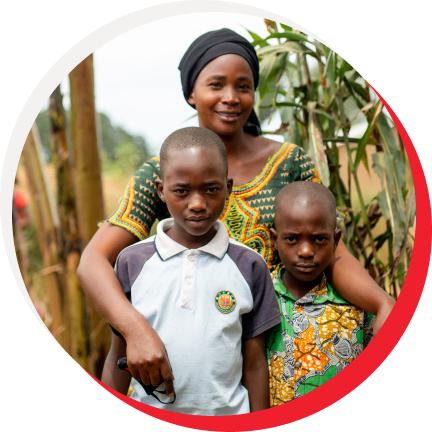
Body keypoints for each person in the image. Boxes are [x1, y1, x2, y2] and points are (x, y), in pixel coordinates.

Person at [77, 28, 394, 398]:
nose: (231, 97)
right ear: (191, 93)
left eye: (243, 86)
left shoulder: (289, 162)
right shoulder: (163, 172)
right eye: (216, 85)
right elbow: (94, 260)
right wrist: (135, 330)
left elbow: (332, 253)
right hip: (194, 353)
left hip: (278, 349)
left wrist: (381, 303)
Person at [101, 127, 280, 415]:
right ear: (160, 190)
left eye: (211, 190)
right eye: (181, 191)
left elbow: (255, 362)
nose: (197, 204)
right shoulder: (132, 262)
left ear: (228, 188)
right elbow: (119, 355)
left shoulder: (249, 265)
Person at [267, 182, 374, 406]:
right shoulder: (258, 298)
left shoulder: (356, 305)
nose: (306, 251)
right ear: (274, 239)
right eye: (292, 239)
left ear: (335, 240)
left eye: (319, 239)